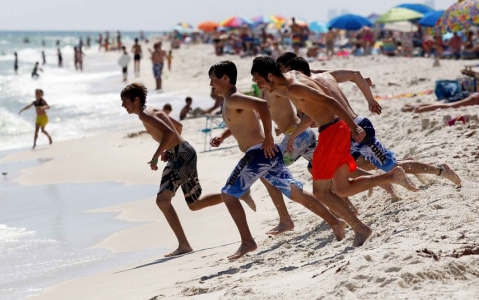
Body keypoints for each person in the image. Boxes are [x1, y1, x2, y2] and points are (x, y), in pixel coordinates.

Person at [250, 57, 419, 249]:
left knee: (320, 191)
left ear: (270, 75)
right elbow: (317, 95)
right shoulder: (293, 76)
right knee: (342, 188)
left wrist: (354, 127)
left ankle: (358, 227)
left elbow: (329, 100)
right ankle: (391, 176)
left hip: (332, 132)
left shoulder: (294, 87)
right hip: (334, 130)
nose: (258, 85)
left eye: (259, 81)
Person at [207, 61, 346, 260]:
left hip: (257, 155)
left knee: (228, 195)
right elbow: (246, 119)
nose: (211, 84)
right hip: (266, 155)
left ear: (226, 79)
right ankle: (335, 222)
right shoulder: (232, 101)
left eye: (213, 79)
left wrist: (269, 139)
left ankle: (247, 241)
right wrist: (223, 136)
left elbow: (263, 106)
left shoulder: (235, 98)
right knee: (296, 192)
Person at [284, 56, 462, 190]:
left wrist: (295, 133)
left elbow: (314, 116)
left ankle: (440, 170)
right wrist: (370, 100)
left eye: (286, 72)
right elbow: (356, 75)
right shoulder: (326, 75)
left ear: (295, 71)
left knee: (391, 166)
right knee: (363, 165)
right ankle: (395, 173)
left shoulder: (310, 86)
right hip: (344, 131)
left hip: (356, 128)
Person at [120, 83, 255, 257]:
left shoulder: (145, 115)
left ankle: (236, 193)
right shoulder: (152, 110)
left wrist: (156, 155)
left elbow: (169, 132)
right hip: (177, 154)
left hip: (182, 155)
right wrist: (168, 149)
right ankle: (184, 244)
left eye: (125, 102)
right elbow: (178, 127)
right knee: (163, 201)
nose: (123, 106)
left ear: (136, 99)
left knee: (194, 204)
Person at [402, 77, 479, 113]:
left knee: (445, 104)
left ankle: (413, 107)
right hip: (477, 100)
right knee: (448, 106)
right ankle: (418, 109)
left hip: (476, 98)